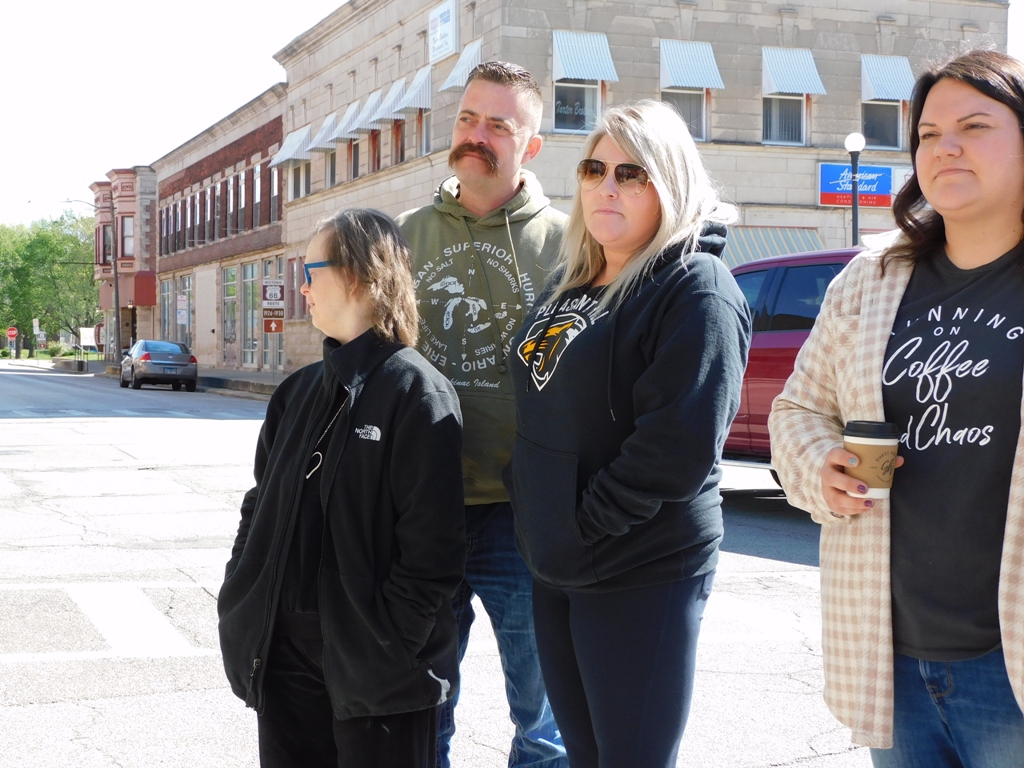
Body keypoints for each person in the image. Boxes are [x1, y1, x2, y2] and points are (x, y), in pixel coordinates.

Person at [768, 49, 1024, 766]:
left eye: (975, 126)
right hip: (890, 654)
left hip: (1010, 665)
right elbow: (797, 409)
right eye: (928, 133)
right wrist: (820, 465)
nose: (945, 146)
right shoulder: (871, 278)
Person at [505, 100, 750, 768]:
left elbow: (677, 446)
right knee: (583, 756)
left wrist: (580, 526)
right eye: (594, 169)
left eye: (631, 173)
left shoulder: (695, 286)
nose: (606, 186)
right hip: (559, 563)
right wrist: (538, 518)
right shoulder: (572, 280)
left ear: (669, 181)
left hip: (639, 566)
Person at [217, 209, 466, 768]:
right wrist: (241, 592)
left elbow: (434, 550)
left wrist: (391, 644)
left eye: (310, 272)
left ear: (356, 275)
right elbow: (258, 506)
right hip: (282, 662)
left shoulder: (417, 391)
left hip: (378, 674)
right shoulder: (297, 391)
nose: (301, 289)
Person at [396, 61, 568, 768]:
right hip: (420, 512)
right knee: (419, 710)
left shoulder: (570, 244)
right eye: (468, 118)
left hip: (523, 515)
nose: (477, 135)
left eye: (499, 124)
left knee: (545, 724)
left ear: (532, 145)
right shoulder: (402, 239)